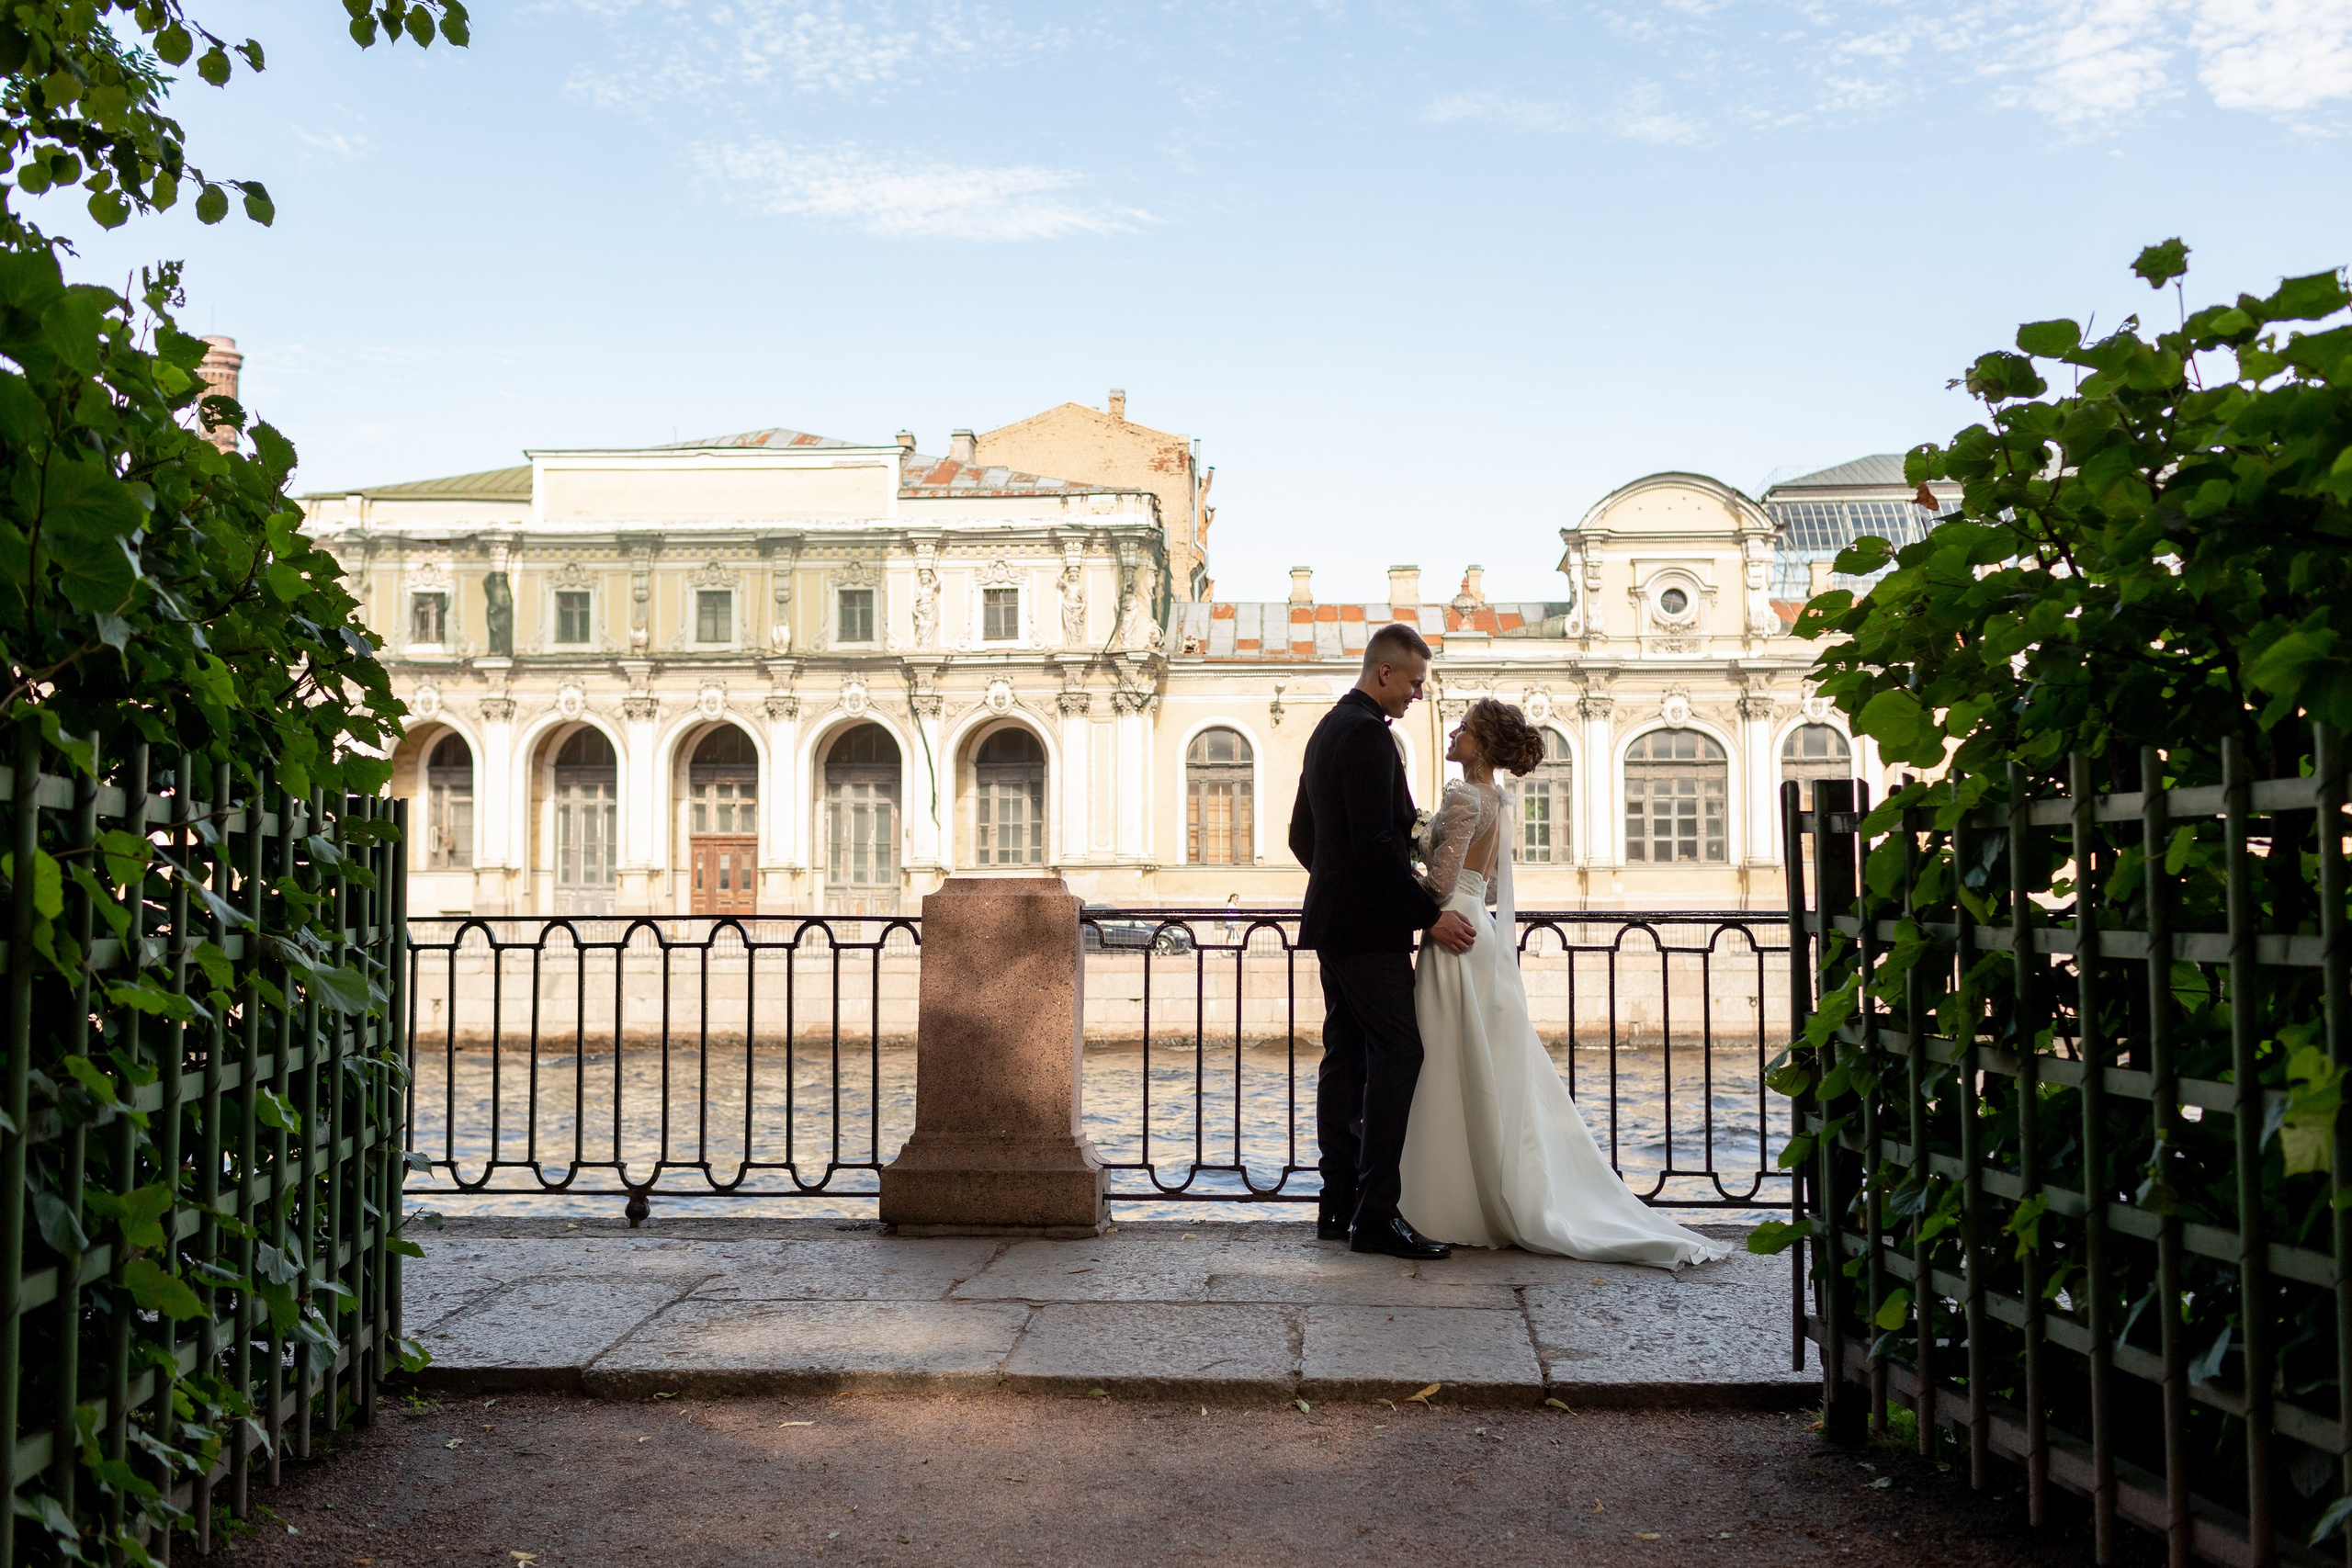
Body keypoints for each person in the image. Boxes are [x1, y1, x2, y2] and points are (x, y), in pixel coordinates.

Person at [1399, 698, 1727, 1269]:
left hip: (1450, 931)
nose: (1453, 733)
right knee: (1479, 1061)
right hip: (1480, 927)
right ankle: (1484, 1191)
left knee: (1443, 1060)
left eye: (1464, 728)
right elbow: (1488, 884)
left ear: (1480, 743)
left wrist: (1401, 866)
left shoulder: (1461, 795)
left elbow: (1441, 884)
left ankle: (1440, 1200)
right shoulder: (1501, 803)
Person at [1287, 623, 1477, 1260]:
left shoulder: (1328, 729)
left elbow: (1301, 837)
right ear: (1384, 673)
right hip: (1368, 932)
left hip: (1336, 924)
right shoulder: (1369, 736)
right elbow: (1375, 845)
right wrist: (1426, 914)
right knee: (1398, 1054)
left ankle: (1336, 1203)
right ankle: (1376, 1215)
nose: (1419, 695)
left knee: (1345, 1060)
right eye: (1416, 682)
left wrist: (1338, 884)